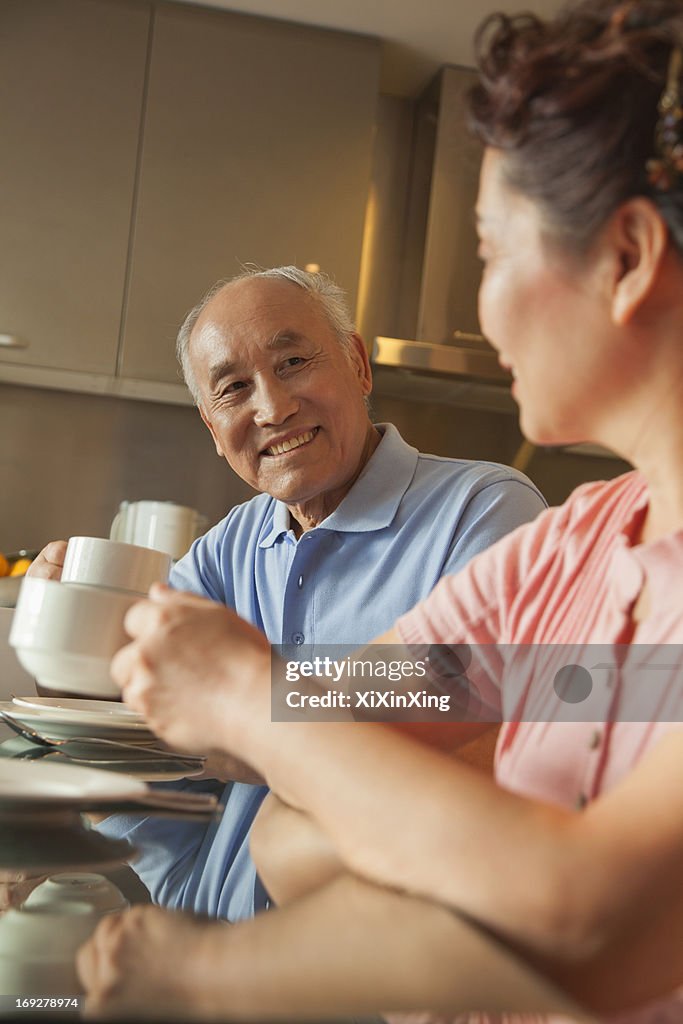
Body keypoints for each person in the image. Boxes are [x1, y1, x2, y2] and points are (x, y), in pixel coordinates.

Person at [76, 1, 683, 1019]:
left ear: (621, 258)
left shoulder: (498, 518)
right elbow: (322, 743)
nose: (480, 303)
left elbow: (587, 917)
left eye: (489, 251)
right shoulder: (568, 547)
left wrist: (205, 972)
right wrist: (438, 825)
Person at [29, 265, 546, 922]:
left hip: (384, 972)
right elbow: (142, 727)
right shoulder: (229, 545)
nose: (272, 408)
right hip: (217, 960)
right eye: (233, 388)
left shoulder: (483, 508)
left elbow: (467, 738)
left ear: (358, 365)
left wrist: (240, 705)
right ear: (213, 431)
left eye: (294, 362)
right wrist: (71, 624)